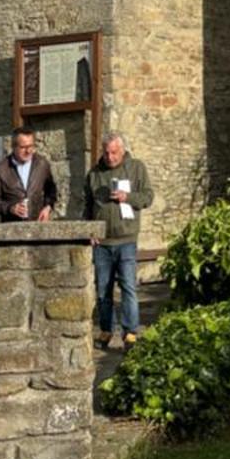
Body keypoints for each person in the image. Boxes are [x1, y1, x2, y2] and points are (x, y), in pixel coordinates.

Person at [82, 133, 155, 349]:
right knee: (103, 290)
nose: (110, 156)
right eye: (106, 152)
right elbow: (87, 205)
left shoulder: (136, 168)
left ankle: (130, 332)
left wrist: (128, 197)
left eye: (114, 152)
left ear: (122, 151)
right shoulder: (94, 174)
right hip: (102, 243)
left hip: (126, 240)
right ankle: (106, 330)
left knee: (128, 287)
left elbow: (148, 196)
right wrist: (89, 230)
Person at [0, 126, 56, 224]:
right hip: (11, 228)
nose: (28, 151)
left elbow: (51, 190)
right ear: (13, 147)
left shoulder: (42, 164)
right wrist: (10, 208)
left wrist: (47, 207)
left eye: (31, 146)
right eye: (23, 147)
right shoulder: (1, 170)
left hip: (37, 226)